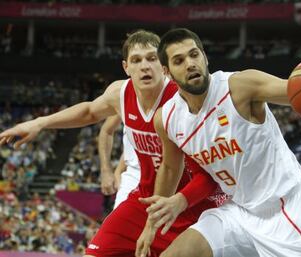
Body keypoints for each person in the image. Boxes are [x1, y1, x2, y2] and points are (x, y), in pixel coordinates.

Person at [135, 28, 301, 257]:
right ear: (167, 72)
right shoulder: (167, 119)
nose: (190, 64)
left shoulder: (240, 86)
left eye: (194, 55)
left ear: (205, 57)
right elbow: (169, 167)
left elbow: (294, 89)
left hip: (287, 210)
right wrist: (150, 224)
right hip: (239, 212)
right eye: (179, 61)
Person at [0, 29, 222, 257]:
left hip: (191, 203)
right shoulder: (120, 93)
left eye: (152, 58)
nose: (145, 66)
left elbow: (207, 170)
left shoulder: (182, 98)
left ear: (163, 65)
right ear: (126, 67)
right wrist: (40, 123)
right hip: (146, 199)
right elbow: (88, 111)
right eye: (136, 60)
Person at [99, 115, 141, 209]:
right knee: (117, 222)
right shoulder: (123, 101)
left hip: (169, 175)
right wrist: (109, 170)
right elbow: (106, 130)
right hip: (134, 175)